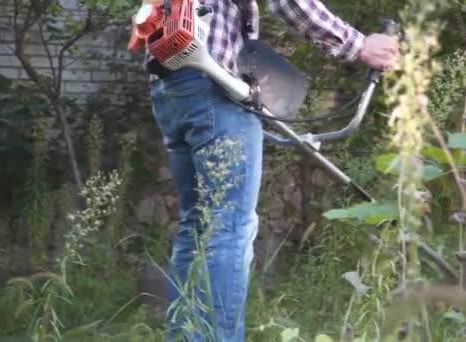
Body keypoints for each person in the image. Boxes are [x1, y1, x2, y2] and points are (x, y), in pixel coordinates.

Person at [145, 0, 398, 340]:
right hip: (214, 79)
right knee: (229, 227)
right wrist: (357, 44)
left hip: (173, 83)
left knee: (198, 224)